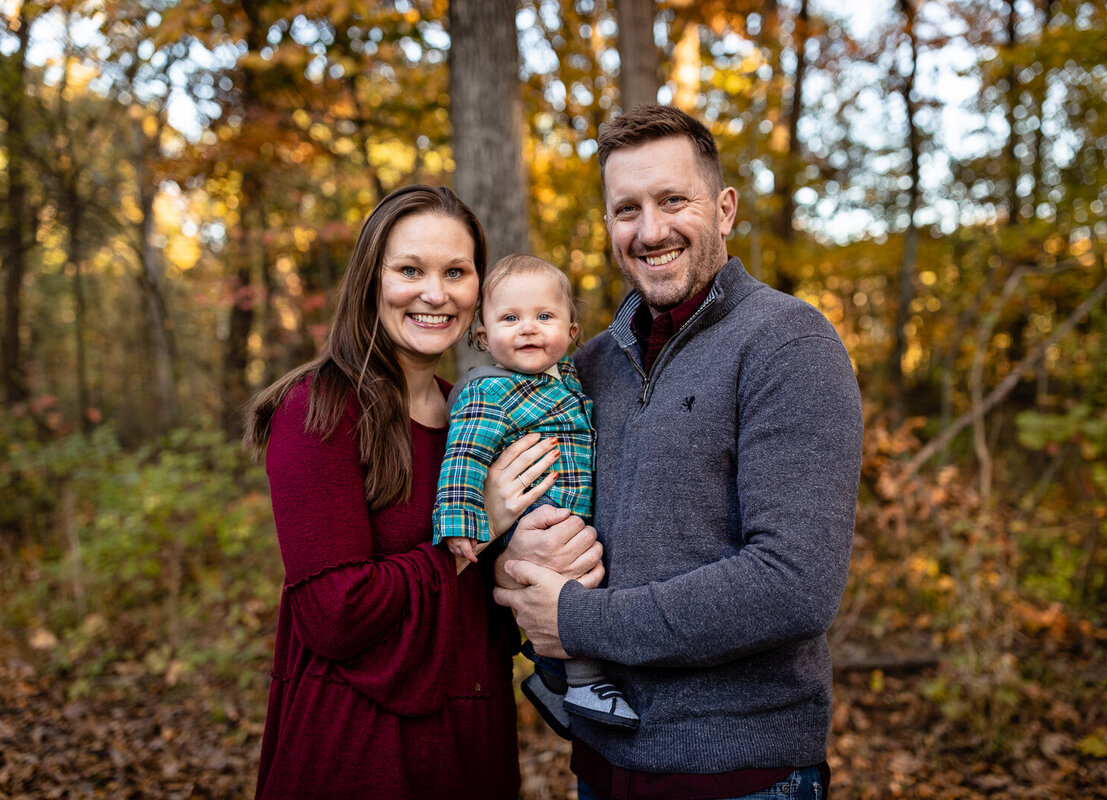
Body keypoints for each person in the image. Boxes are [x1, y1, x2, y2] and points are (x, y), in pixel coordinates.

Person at [493, 105, 863, 800]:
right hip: (601, 768)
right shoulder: (590, 365)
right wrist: (518, 562)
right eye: (626, 209)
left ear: (723, 209)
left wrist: (575, 619)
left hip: (739, 776)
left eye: (673, 200)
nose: (650, 229)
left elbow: (793, 584)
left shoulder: (789, 344)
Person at [243, 185, 602, 799]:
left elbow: (484, 602)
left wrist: (544, 567)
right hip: (359, 750)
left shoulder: (478, 413)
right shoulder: (319, 411)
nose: (435, 294)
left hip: (473, 740)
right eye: (410, 270)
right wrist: (474, 528)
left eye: (456, 272)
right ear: (370, 279)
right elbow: (335, 616)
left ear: (479, 294)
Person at [432, 253, 639, 732]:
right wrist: (462, 521)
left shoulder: (566, 380)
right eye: (510, 318)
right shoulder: (490, 393)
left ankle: (551, 680)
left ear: (570, 333)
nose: (528, 328)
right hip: (537, 519)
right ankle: (585, 685)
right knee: (572, 584)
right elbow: (464, 457)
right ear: (483, 336)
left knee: (585, 578)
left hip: (569, 509)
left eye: (544, 316)